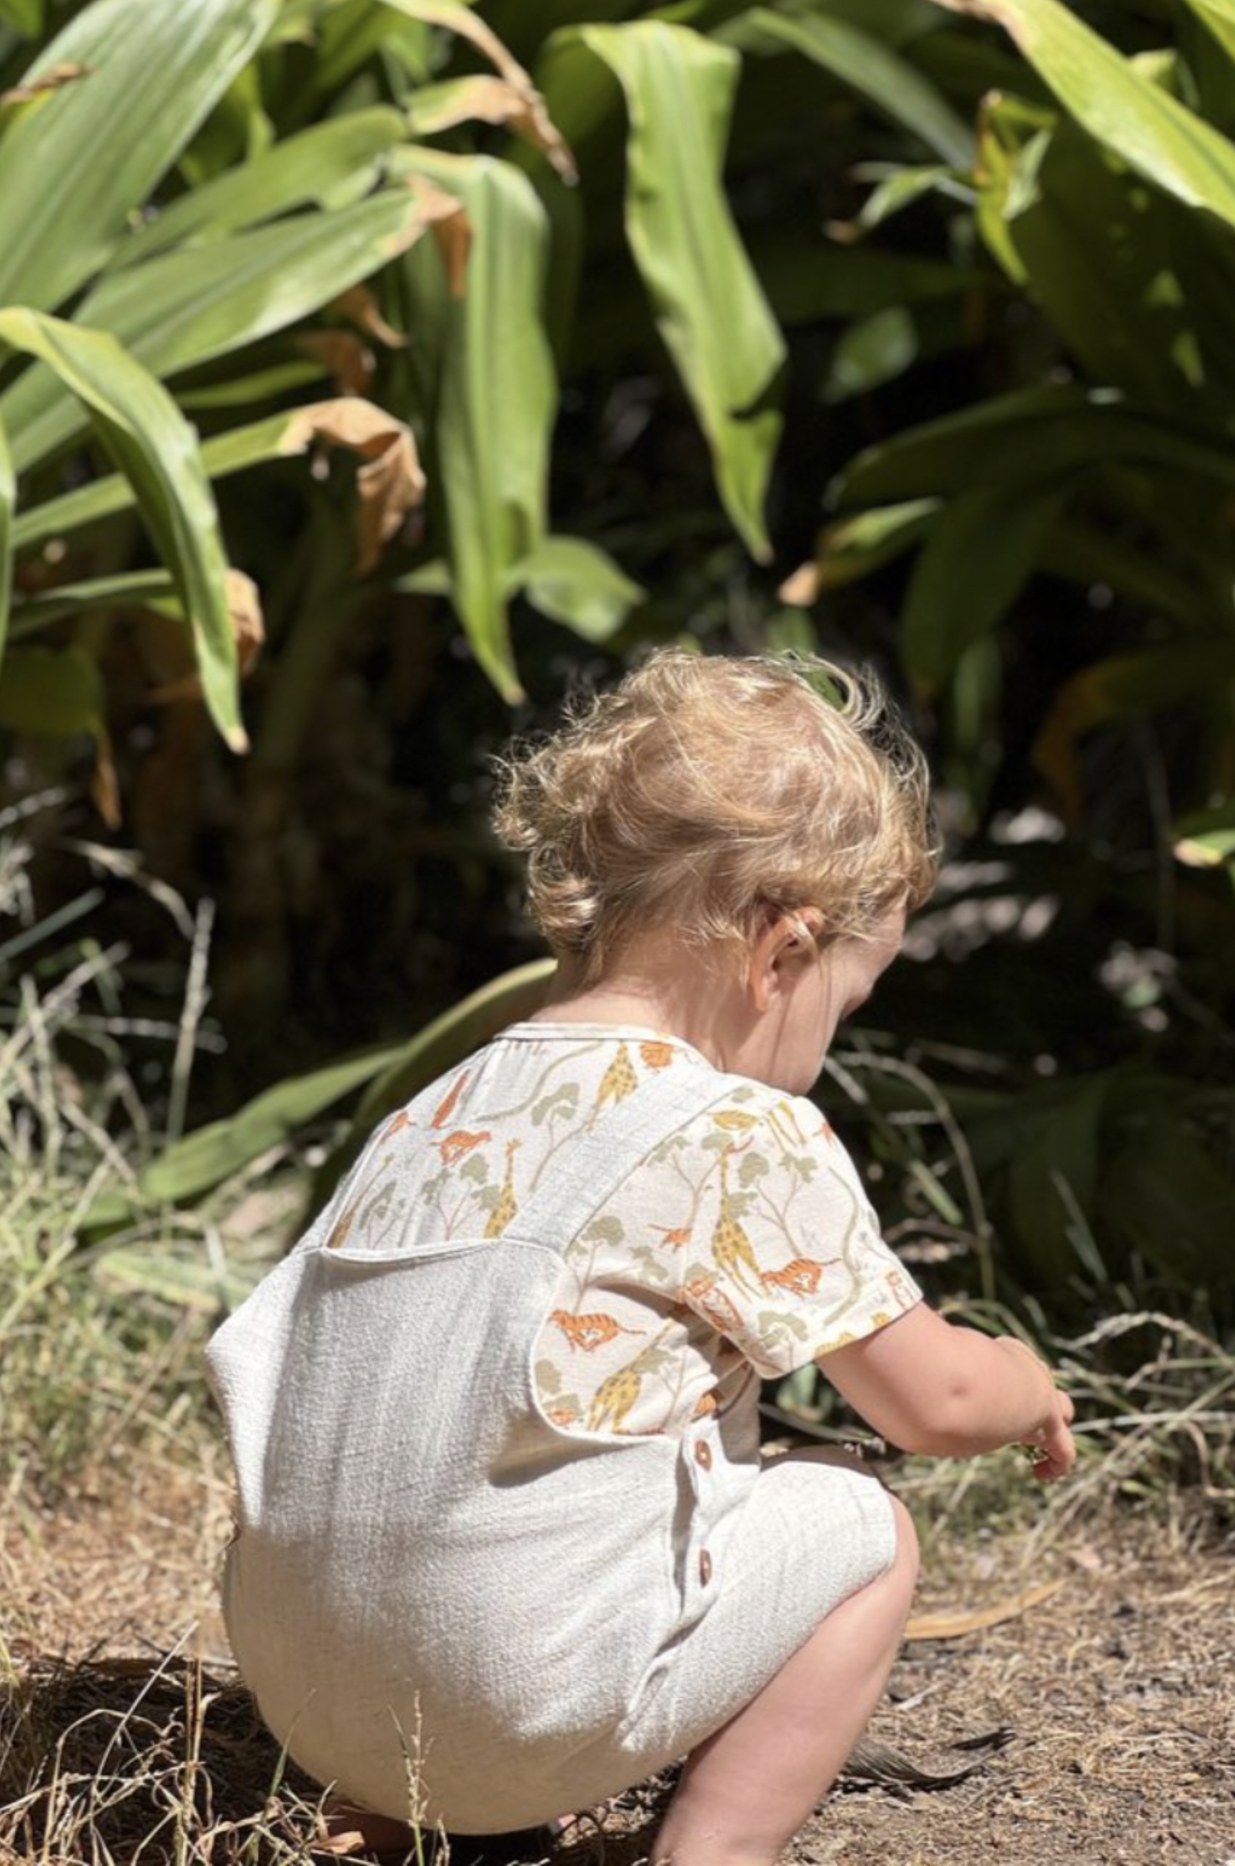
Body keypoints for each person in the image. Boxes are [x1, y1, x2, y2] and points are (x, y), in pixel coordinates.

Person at [208, 650, 1076, 1866]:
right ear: (779, 953)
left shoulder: (434, 1111)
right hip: (515, 1702)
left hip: (308, 1702)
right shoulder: (733, 1130)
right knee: (862, 1526)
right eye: (843, 1004)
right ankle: (711, 1851)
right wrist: (1023, 1382)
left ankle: (407, 1819)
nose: (828, 1042)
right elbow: (933, 1403)